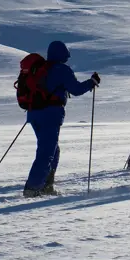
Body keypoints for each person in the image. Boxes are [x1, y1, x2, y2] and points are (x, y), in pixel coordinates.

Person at [23, 40, 100, 197]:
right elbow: (76, 89)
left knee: (53, 150)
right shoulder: (62, 70)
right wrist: (91, 82)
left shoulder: (42, 69)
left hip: (34, 114)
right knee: (47, 151)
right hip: (50, 114)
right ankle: (33, 188)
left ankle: (46, 185)